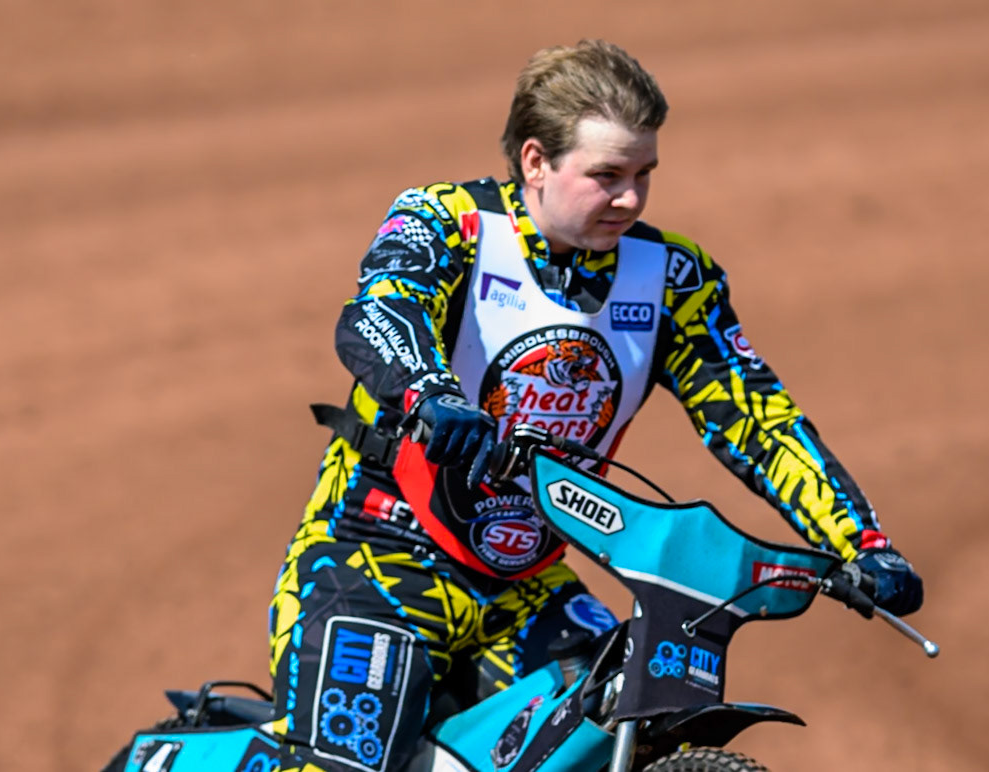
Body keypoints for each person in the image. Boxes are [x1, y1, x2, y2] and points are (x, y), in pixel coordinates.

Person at [267, 39, 923, 772]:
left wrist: (860, 543)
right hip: (373, 554)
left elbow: (754, 418)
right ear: (535, 162)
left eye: (644, 175)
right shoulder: (446, 223)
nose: (631, 199)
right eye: (607, 176)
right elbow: (378, 315)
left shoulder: (672, 277)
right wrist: (433, 398)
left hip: (525, 581)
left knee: (632, 726)